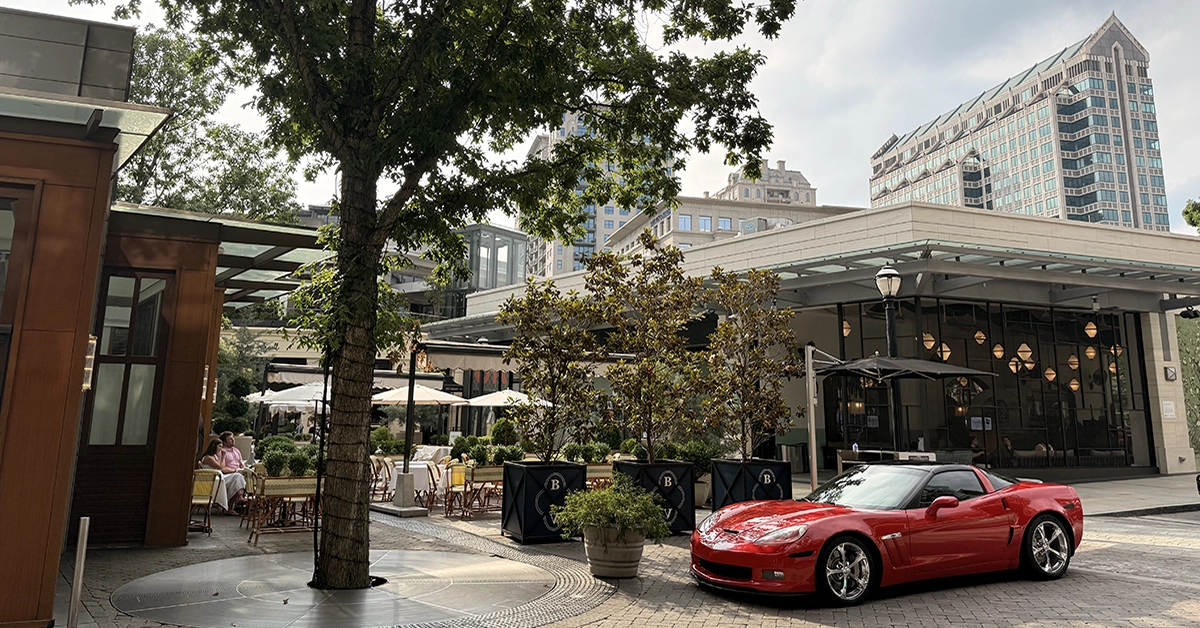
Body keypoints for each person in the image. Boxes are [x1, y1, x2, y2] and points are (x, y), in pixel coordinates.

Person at [199, 438, 246, 515]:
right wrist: (224, 456)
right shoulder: (208, 458)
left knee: (237, 478)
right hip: (214, 480)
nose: (221, 449)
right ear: (214, 446)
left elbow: (221, 466)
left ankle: (237, 498)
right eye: (219, 446)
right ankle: (234, 502)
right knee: (237, 478)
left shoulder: (214, 456)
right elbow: (221, 467)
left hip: (220, 478)